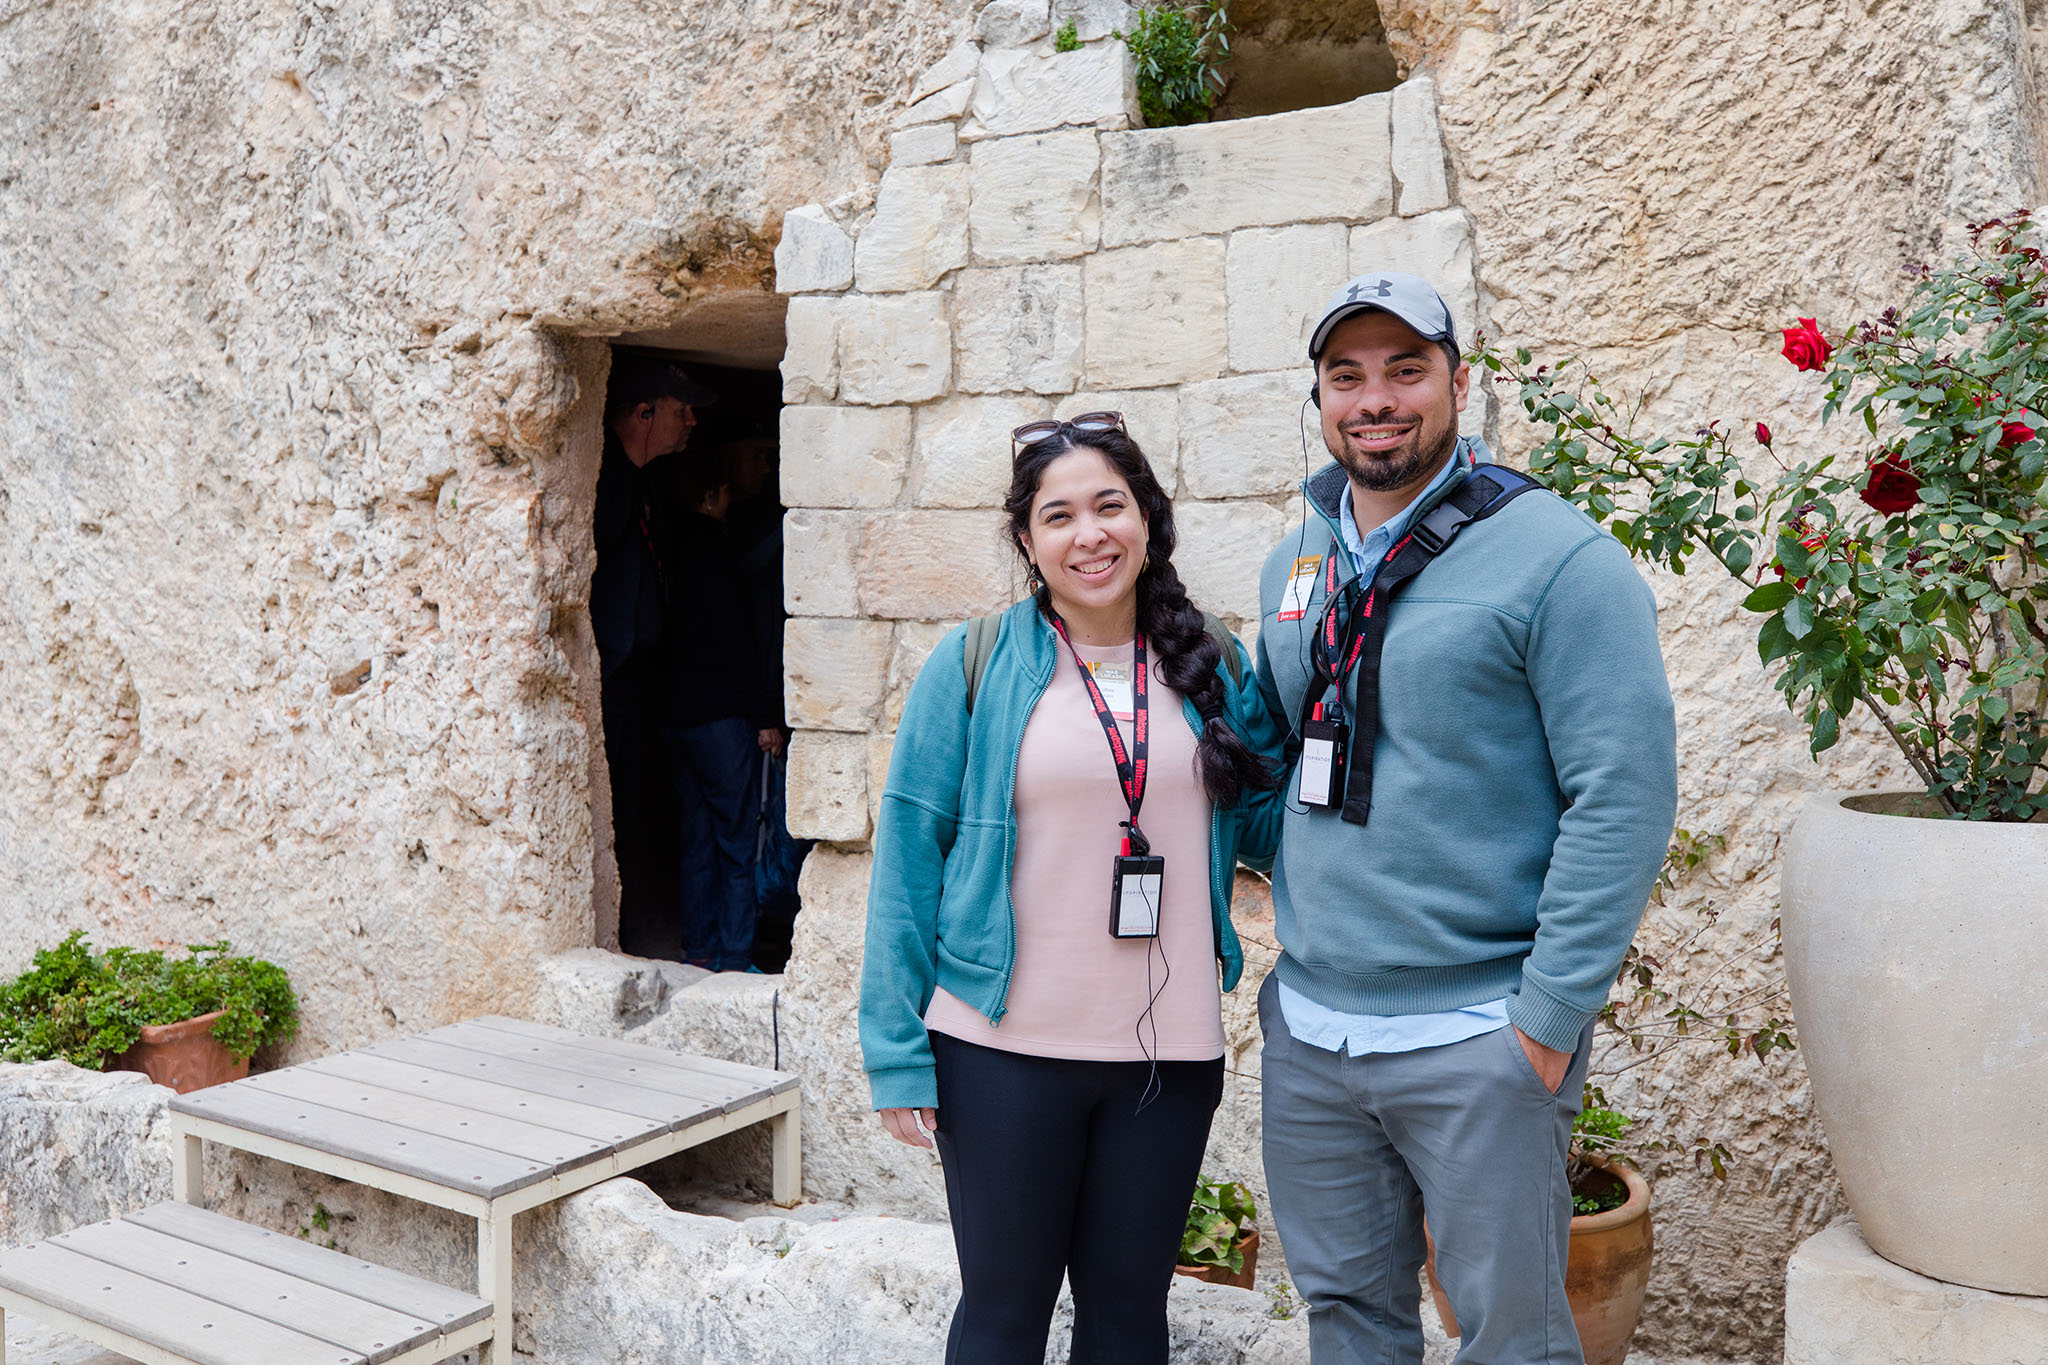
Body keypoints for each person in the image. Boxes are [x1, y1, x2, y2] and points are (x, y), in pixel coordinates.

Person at [1250, 272, 1677, 1364]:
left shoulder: (1559, 559)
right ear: (1318, 395)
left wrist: (1543, 1021)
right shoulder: (1297, 559)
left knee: (1510, 1339)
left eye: (1405, 369)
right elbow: (1284, 761)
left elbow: (1621, 795)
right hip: (1313, 1028)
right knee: (1346, 1319)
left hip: (1475, 1034)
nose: (1373, 399)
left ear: (1457, 381)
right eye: (1345, 376)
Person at [861, 415, 1283, 1365]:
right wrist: (894, 1052)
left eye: (1109, 506)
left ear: (1147, 520)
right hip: (1002, 1051)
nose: (1088, 534)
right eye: (1059, 515)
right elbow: (906, 864)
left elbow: (1267, 824)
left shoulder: (1208, 658)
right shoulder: (972, 665)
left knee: (1130, 1318)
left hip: (1169, 1057)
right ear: (1027, 540)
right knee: (1005, 1317)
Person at [591, 354, 716, 961]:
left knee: (646, 806)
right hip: (611, 677)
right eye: (677, 409)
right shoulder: (599, 478)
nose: (691, 421)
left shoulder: (642, 484)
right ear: (642, 412)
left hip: (641, 678)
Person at [660, 445, 782, 971]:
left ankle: (699, 947)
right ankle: (733, 958)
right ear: (711, 496)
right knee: (738, 841)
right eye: (726, 494)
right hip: (719, 718)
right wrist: (764, 717)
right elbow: (735, 641)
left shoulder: (667, 545)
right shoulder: (714, 550)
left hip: (674, 714)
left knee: (696, 837)